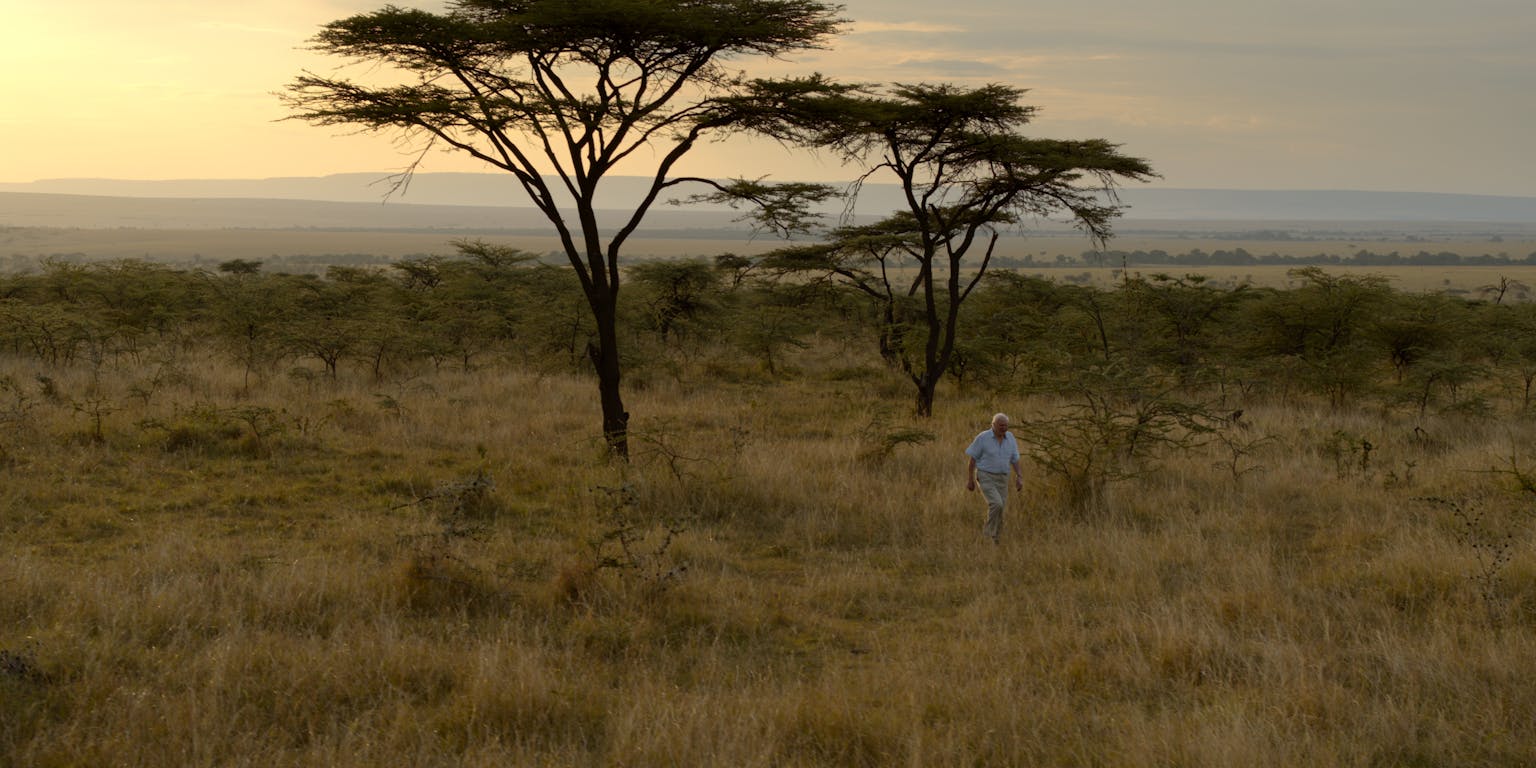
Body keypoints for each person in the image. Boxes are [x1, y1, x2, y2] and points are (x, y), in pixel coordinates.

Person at [965, 412, 1024, 543]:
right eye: (1001, 425)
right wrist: (970, 480)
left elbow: (1015, 459)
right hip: (985, 475)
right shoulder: (983, 437)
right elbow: (972, 459)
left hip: (1003, 478)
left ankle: (996, 539)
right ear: (993, 425)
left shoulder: (1010, 438)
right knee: (996, 504)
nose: (1004, 428)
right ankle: (987, 534)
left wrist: (1019, 476)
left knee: (1001, 508)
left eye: (1006, 425)